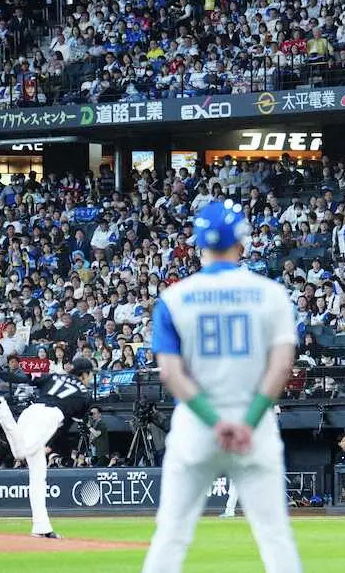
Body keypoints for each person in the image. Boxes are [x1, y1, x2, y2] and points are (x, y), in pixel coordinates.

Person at [141, 201, 302, 573]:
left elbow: (170, 373)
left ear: (199, 245)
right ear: (241, 242)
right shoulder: (271, 294)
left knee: (171, 535)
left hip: (197, 426)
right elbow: (281, 367)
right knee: (275, 537)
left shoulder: (173, 298)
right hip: (254, 425)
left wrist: (215, 422)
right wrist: (247, 421)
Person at [0, 359, 95, 537]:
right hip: (49, 418)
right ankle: (1, 408)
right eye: (90, 374)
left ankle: (41, 527)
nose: (90, 378)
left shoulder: (54, 377)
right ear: (84, 374)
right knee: (20, 453)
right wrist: (51, 445)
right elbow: (66, 424)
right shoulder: (84, 394)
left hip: (31, 411)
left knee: (38, 477)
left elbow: (20, 378)